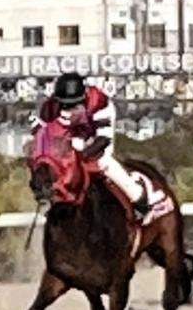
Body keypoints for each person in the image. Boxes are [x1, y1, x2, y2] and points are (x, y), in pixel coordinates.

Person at [36, 70, 166, 222]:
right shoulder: (49, 108)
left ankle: (141, 199)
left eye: (74, 104)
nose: (68, 109)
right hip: (71, 135)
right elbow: (40, 137)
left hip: (95, 133)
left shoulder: (98, 103)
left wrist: (81, 157)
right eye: (65, 104)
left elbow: (103, 140)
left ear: (84, 97)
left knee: (103, 162)